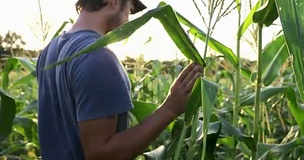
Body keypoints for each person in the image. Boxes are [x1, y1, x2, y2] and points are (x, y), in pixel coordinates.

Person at [35, 0, 203, 159]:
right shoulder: (98, 58)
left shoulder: (49, 51)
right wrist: (170, 109)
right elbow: (100, 154)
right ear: (115, 2)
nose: (129, 18)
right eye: (130, 8)